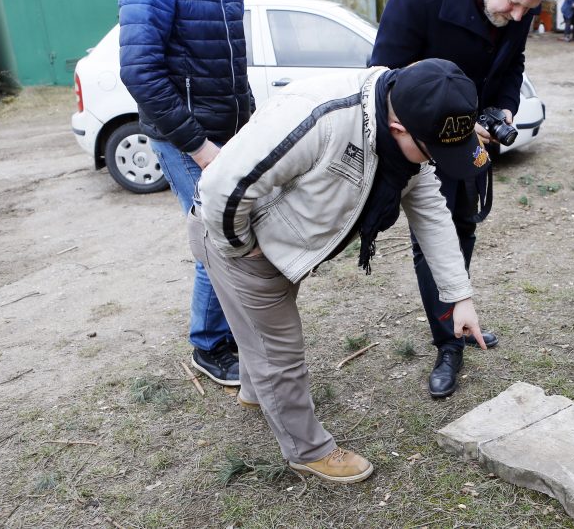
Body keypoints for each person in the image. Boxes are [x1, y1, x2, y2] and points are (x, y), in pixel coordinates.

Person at [190, 59, 489, 483]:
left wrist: (460, 296)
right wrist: (245, 248)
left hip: (281, 242)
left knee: (258, 334)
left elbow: (431, 214)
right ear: (400, 127)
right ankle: (306, 450)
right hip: (237, 240)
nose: (434, 162)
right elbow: (221, 184)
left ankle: (256, 393)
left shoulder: (405, 141)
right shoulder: (323, 117)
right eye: (433, 152)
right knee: (281, 352)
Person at [370, 0, 567, 399]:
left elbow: (512, 62)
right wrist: (446, 125)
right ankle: (447, 344)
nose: (518, 16)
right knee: (432, 241)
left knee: (466, 225)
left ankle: (460, 313)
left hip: (474, 144)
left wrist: (502, 108)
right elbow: (381, 78)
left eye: (528, 10)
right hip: (426, 145)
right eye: (514, 5)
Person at [118, 0, 254, 386]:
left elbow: (234, 64)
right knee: (216, 239)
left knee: (236, 234)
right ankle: (210, 345)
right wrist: (198, 146)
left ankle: (235, 330)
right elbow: (139, 70)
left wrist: (251, 124)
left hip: (230, 130)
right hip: (185, 138)